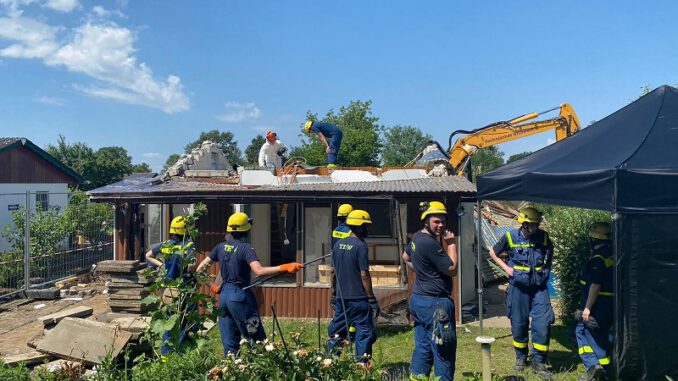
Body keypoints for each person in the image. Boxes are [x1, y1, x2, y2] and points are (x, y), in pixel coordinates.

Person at [196, 212, 303, 355]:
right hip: (240, 296)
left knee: (230, 344)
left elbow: (199, 270)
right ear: (246, 230)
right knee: (256, 338)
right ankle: (259, 369)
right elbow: (258, 271)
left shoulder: (220, 247)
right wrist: (284, 267)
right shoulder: (246, 248)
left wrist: (212, 286)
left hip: (224, 298)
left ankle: (232, 370)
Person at [489, 206, 554, 379]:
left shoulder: (544, 238)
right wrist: (507, 269)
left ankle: (539, 362)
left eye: (537, 224)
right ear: (524, 224)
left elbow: (550, 254)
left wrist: (546, 271)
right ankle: (521, 357)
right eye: (533, 224)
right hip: (518, 289)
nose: (536, 227)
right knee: (518, 323)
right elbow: (492, 252)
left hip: (539, 289)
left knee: (543, 323)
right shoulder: (510, 236)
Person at [402, 201, 457, 381]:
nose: (440, 225)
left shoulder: (417, 237)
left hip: (418, 300)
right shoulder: (430, 244)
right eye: (436, 221)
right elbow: (453, 269)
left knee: (423, 345)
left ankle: (417, 377)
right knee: (443, 350)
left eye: (443, 221)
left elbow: (405, 257)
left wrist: (424, 272)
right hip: (436, 304)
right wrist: (451, 244)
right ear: (426, 220)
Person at [327, 209, 378, 363]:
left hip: (342, 299)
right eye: (365, 226)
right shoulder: (361, 246)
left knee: (337, 332)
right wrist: (371, 298)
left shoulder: (338, 245)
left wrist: (334, 294)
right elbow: (364, 275)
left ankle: (329, 363)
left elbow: (333, 273)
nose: (367, 229)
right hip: (359, 300)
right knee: (363, 333)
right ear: (359, 226)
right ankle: (362, 366)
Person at [144, 215, 196, 355]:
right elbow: (192, 265)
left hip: (168, 289)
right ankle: (177, 354)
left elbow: (148, 255)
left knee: (169, 322)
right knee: (182, 323)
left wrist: (162, 265)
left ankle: (166, 354)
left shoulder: (166, 245)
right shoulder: (188, 246)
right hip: (182, 289)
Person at [576, 222, 614, 381]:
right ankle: (601, 370)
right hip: (610, 304)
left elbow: (595, 285)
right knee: (601, 336)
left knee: (587, 333)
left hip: (598, 305)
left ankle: (595, 367)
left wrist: (587, 308)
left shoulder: (598, 259)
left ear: (593, 239)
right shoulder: (611, 255)